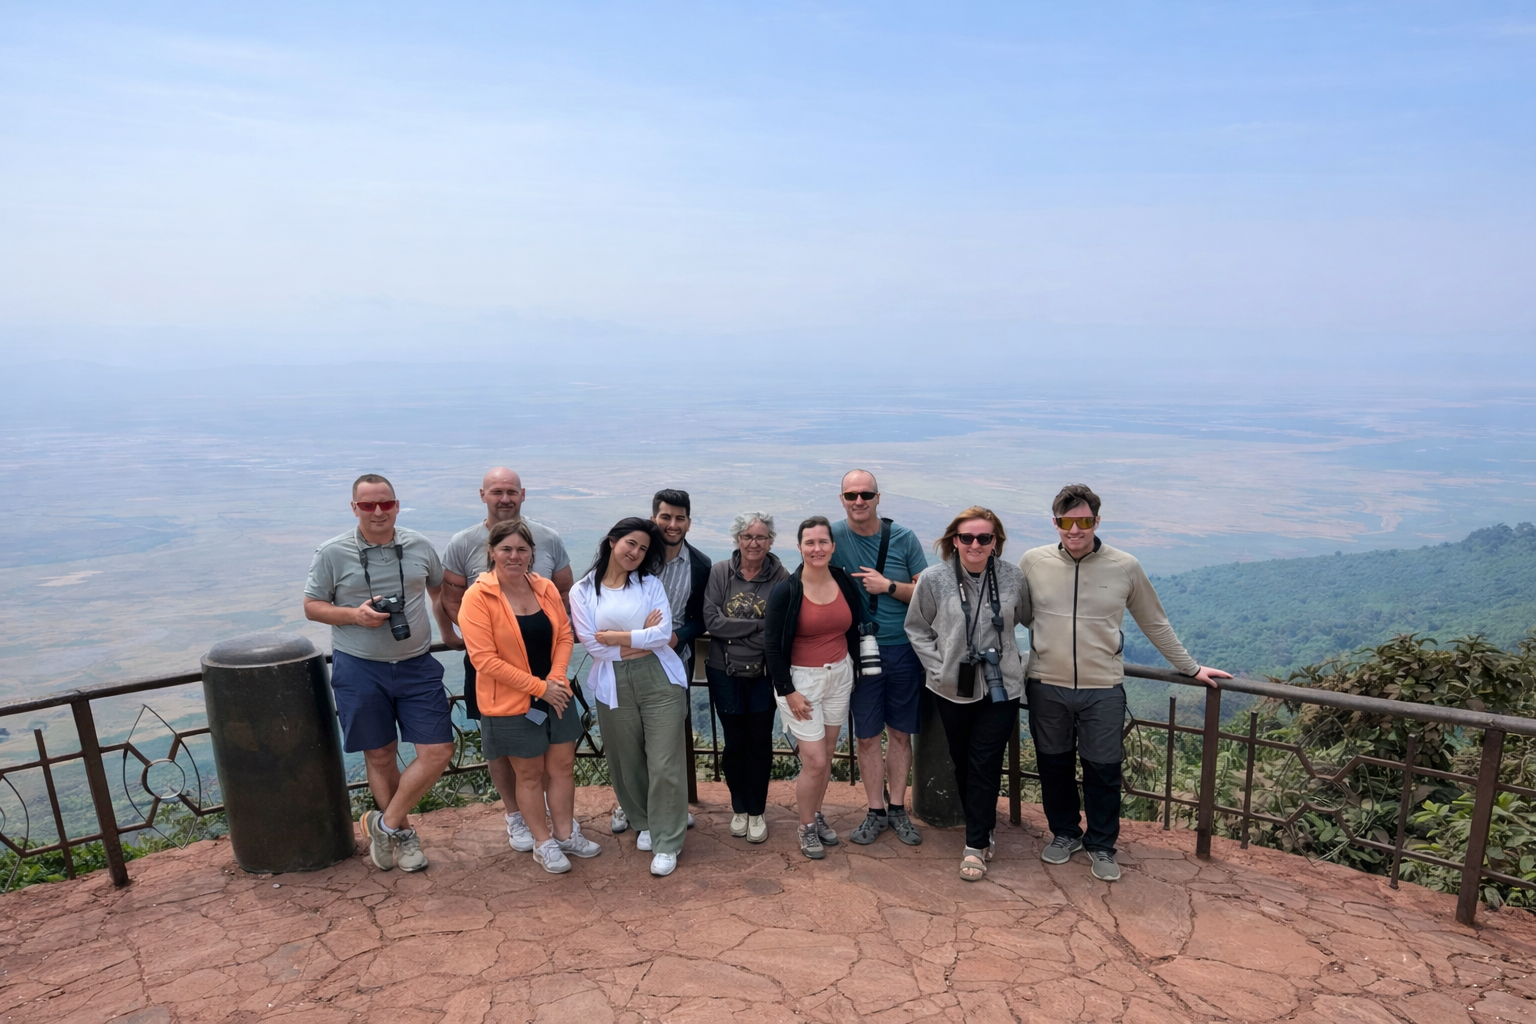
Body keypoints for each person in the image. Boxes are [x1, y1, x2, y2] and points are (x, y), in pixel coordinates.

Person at [1019, 484, 1232, 882]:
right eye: (1067, 521)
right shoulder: (1033, 562)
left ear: (1097, 521)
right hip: (1046, 682)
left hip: (1103, 688)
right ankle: (1065, 833)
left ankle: (1102, 845)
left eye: (1084, 521)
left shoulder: (1124, 566)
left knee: (1103, 769)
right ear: (1055, 523)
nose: (1075, 529)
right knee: (1053, 765)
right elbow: (1016, 613)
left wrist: (1190, 668)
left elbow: (1153, 621)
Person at [302, 473, 453, 873]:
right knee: (381, 754)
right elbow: (312, 605)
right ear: (354, 508)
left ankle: (381, 824)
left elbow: (440, 590)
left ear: (397, 505)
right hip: (359, 665)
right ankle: (402, 837)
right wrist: (355, 615)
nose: (378, 511)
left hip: (417, 663)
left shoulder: (419, 546)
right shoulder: (332, 553)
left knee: (438, 750)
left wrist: (448, 631)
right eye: (368, 505)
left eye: (385, 503)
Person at [438, 468, 574, 854]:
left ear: (523, 494)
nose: (504, 498)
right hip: (496, 672)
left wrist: (555, 677)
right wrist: (462, 634)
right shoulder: (462, 543)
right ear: (483, 494)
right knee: (502, 749)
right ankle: (518, 817)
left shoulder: (548, 540)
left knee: (552, 755)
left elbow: (564, 594)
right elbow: (450, 594)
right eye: (497, 491)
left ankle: (555, 821)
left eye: (511, 491)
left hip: (551, 672)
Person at [459, 519, 601, 874]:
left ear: (532, 554)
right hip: (509, 702)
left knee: (563, 767)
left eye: (522, 549)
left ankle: (566, 833)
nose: (514, 556)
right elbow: (483, 660)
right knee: (529, 774)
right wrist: (540, 688)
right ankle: (543, 842)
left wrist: (554, 680)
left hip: (556, 694)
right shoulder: (478, 596)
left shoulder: (544, 587)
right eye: (506, 549)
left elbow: (565, 634)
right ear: (491, 552)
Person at [905, 508, 1032, 881]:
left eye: (984, 538)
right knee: (963, 761)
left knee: (984, 763)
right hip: (951, 688)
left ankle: (974, 844)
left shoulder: (1013, 577)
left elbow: (1026, 616)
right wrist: (938, 665)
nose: (975, 545)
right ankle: (984, 822)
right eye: (967, 538)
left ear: (996, 542)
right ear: (954, 540)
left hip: (1001, 686)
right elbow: (916, 628)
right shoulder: (934, 579)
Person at [571, 517, 691, 876]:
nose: (636, 552)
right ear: (612, 541)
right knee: (627, 760)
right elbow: (592, 644)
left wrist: (616, 637)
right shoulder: (582, 591)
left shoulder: (650, 584)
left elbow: (664, 634)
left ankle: (668, 839)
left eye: (642, 548)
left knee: (664, 760)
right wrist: (636, 638)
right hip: (612, 682)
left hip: (661, 680)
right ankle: (644, 822)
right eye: (631, 544)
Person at [828, 469, 929, 846]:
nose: (859, 501)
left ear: (878, 497)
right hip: (856, 650)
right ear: (842, 499)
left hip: (903, 648)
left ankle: (898, 808)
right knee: (868, 736)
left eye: (866, 494)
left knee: (900, 734)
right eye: (851, 495)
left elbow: (925, 593)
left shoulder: (903, 538)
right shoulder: (833, 537)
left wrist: (887, 586)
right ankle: (875, 810)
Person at [764, 516, 867, 860]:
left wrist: (854, 668)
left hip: (840, 674)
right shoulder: (788, 590)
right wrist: (787, 690)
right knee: (815, 760)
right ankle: (806, 826)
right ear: (799, 547)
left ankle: (817, 814)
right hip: (802, 681)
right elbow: (772, 646)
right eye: (810, 543)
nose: (817, 548)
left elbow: (853, 627)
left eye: (823, 542)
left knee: (828, 753)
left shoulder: (842, 581)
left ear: (832, 546)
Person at [702, 512, 790, 844]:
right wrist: (757, 626)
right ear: (737, 539)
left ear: (770, 541)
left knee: (760, 743)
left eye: (761, 537)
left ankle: (757, 811)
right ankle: (739, 808)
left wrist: (736, 632)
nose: (754, 543)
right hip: (724, 672)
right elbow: (713, 621)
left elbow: (779, 628)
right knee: (735, 744)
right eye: (747, 537)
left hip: (763, 674)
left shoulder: (782, 576)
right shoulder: (721, 572)